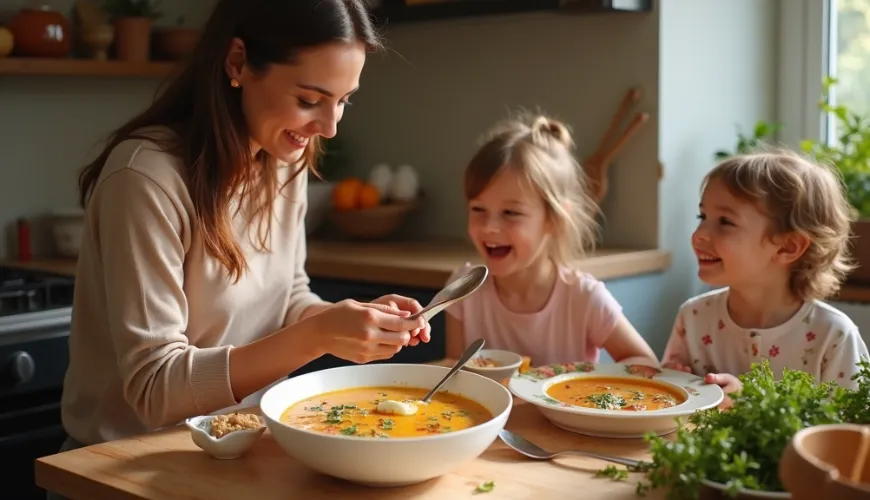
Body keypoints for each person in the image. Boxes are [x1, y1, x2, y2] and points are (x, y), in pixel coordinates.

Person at [57, 0, 430, 457]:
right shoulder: (145, 178)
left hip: (241, 448)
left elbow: (287, 299)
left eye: (343, 101)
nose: (329, 127)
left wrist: (346, 321)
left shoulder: (280, 160)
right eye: (309, 100)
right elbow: (154, 390)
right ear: (238, 62)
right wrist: (316, 337)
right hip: (122, 464)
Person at [444, 112, 658, 367]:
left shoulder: (584, 298)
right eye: (478, 209)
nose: (490, 227)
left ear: (554, 220)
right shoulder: (463, 289)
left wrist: (583, 384)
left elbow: (645, 362)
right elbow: (454, 373)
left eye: (511, 213)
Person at [662, 150, 870, 404]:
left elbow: (848, 434)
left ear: (788, 247)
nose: (699, 235)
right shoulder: (692, 317)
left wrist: (748, 403)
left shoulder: (833, 336)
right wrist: (674, 383)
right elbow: (668, 410)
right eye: (702, 216)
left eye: (725, 221)